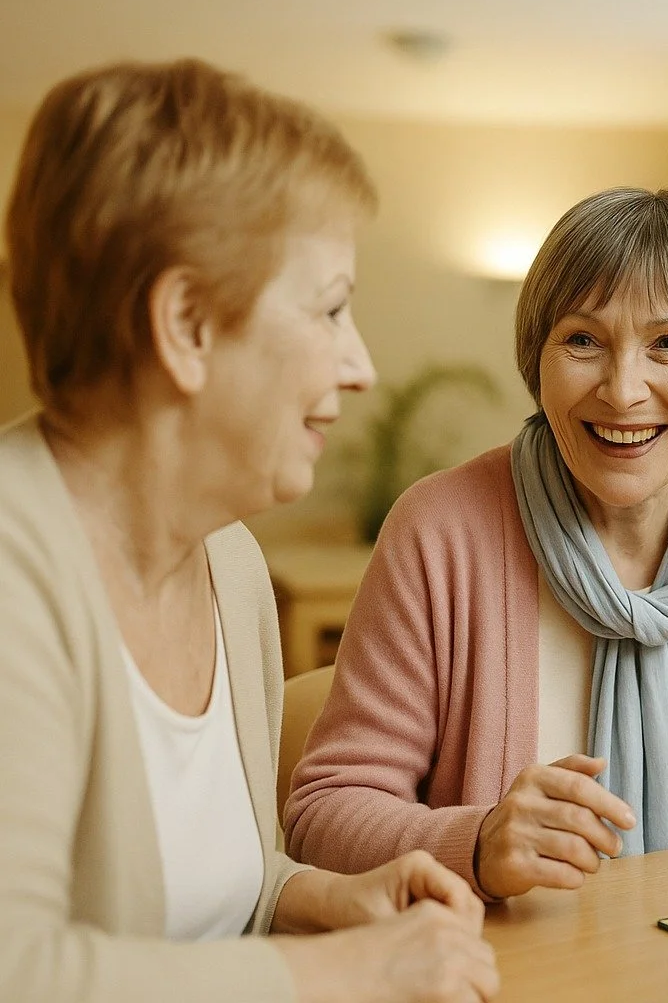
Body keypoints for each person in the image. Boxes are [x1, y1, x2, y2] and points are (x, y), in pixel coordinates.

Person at [0, 59, 499, 1003]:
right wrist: (338, 973)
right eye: (332, 308)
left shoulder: (228, 560)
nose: (360, 366)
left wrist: (330, 900)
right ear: (186, 322)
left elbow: (223, 892)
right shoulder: (12, 569)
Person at [285, 187, 668, 900]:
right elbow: (323, 814)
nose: (622, 392)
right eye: (583, 340)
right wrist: (479, 840)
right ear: (538, 357)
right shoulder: (439, 531)